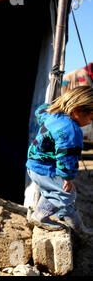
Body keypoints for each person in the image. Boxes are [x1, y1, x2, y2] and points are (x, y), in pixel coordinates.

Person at [26, 86, 93, 235]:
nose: (90, 122)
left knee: (53, 191)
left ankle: (72, 223)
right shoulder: (71, 131)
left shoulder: (53, 114)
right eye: (90, 118)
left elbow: (41, 110)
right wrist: (67, 178)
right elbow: (67, 157)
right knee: (66, 194)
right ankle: (41, 216)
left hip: (33, 163)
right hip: (44, 168)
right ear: (77, 110)